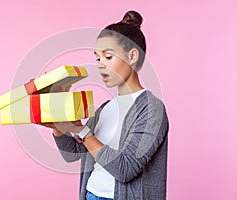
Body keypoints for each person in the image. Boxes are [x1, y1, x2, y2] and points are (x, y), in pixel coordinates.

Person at [40, 10, 169, 200]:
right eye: (98, 58)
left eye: (108, 57)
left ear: (132, 56)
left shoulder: (151, 109)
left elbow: (125, 169)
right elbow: (75, 153)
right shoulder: (105, 108)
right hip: (91, 194)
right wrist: (58, 128)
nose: (100, 65)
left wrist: (82, 131)